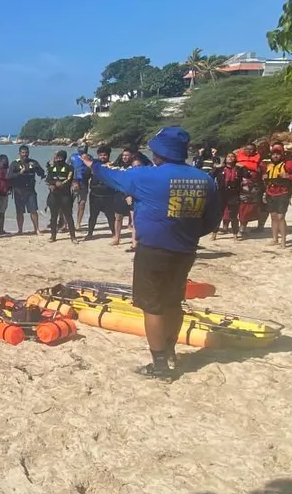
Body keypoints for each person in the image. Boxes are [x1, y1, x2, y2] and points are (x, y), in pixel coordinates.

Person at [79, 127, 220, 379]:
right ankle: (169, 350)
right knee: (173, 302)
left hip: (153, 251)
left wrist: (90, 163)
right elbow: (212, 219)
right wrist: (187, 234)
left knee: (152, 306)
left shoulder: (145, 176)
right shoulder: (204, 179)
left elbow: (110, 176)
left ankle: (159, 365)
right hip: (185, 251)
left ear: (158, 152)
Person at [261, 143, 292, 248]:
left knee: (281, 217)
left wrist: (289, 176)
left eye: (278, 154)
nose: (275, 156)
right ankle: (275, 239)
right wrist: (264, 177)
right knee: (273, 216)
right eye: (273, 154)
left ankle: (283, 241)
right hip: (270, 193)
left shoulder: (289, 164)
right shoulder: (268, 165)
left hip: (283, 193)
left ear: (282, 154)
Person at [82, 146, 121, 242]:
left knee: (110, 216)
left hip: (108, 195)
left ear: (108, 156)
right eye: (100, 155)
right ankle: (90, 233)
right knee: (93, 216)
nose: (102, 157)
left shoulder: (113, 166)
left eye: (104, 155)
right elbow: (85, 177)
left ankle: (114, 233)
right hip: (95, 194)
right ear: (98, 155)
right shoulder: (94, 165)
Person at [8, 145, 44, 235]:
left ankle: (37, 229)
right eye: (23, 153)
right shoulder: (14, 164)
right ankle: (20, 230)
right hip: (18, 191)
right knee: (19, 212)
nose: (25, 154)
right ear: (19, 153)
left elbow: (41, 173)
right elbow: (9, 176)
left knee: (33, 210)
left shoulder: (33, 162)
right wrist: (19, 173)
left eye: (26, 152)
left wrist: (37, 167)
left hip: (30, 191)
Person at [46, 150, 77, 243]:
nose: (58, 159)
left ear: (64, 158)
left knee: (68, 216)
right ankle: (53, 236)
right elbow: (48, 179)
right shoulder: (52, 168)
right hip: (54, 195)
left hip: (65, 195)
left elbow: (69, 179)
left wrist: (60, 184)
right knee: (53, 217)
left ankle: (73, 237)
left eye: (61, 158)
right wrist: (54, 183)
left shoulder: (69, 168)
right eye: (57, 157)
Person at [0, 154, 12, 235]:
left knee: (2, 212)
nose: (5, 162)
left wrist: (10, 189)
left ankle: (1, 230)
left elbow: (10, 180)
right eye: (3, 160)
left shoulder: (7, 169)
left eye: (6, 160)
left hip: (5, 193)